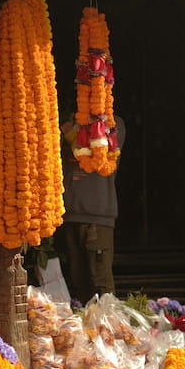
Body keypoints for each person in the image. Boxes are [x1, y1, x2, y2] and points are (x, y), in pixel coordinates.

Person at [61, 115, 126, 303]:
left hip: (97, 216)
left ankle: (108, 325)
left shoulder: (113, 124)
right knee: (78, 281)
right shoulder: (73, 120)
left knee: (100, 282)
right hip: (71, 214)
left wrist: (74, 134)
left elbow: (101, 151)